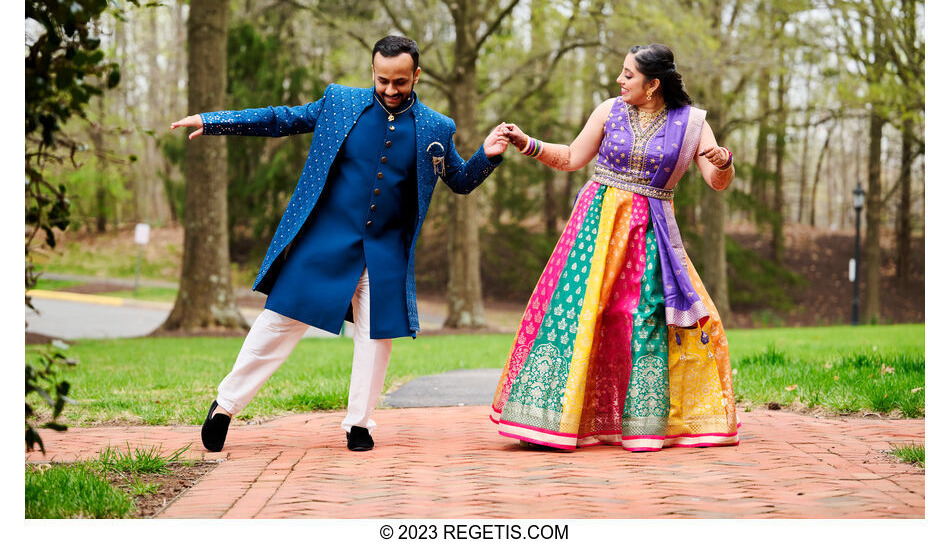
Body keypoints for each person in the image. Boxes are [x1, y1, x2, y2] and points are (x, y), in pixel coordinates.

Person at [171, 36, 510, 453]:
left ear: (416, 76)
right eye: (382, 79)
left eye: (400, 82)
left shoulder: (436, 128)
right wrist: (214, 121)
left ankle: (359, 424)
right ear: (372, 71)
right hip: (326, 240)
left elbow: (459, 181)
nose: (389, 90)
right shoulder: (340, 104)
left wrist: (488, 155)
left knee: (374, 338)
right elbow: (282, 119)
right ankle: (224, 406)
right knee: (278, 322)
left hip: (385, 252)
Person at [490, 43, 739, 452]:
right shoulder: (609, 110)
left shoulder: (692, 124)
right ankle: (552, 420)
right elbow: (571, 157)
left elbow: (717, 181)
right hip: (595, 229)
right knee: (581, 313)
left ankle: (645, 423)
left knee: (643, 317)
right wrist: (528, 143)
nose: (619, 80)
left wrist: (724, 160)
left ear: (653, 84)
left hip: (651, 234)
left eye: (628, 74)